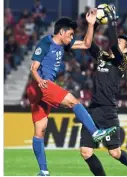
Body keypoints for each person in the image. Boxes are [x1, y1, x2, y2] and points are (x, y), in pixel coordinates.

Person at [26, 10, 116, 176]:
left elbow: (87, 44)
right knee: (74, 101)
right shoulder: (45, 43)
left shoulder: (64, 44)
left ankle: (43, 171)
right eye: (70, 33)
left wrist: (90, 24)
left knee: (40, 130)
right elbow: (33, 68)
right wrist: (40, 82)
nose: (72, 36)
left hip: (39, 90)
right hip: (40, 86)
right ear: (61, 32)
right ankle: (95, 132)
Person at [79, 6, 127, 176]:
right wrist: (92, 25)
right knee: (85, 151)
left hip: (108, 110)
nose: (116, 42)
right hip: (93, 109)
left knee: (114, 152)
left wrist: (112, 19)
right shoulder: (102, 57)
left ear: (126, 50)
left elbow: (114, 45)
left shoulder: (122, 61)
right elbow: (88, 44)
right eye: (117, 40)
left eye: (122, 42)